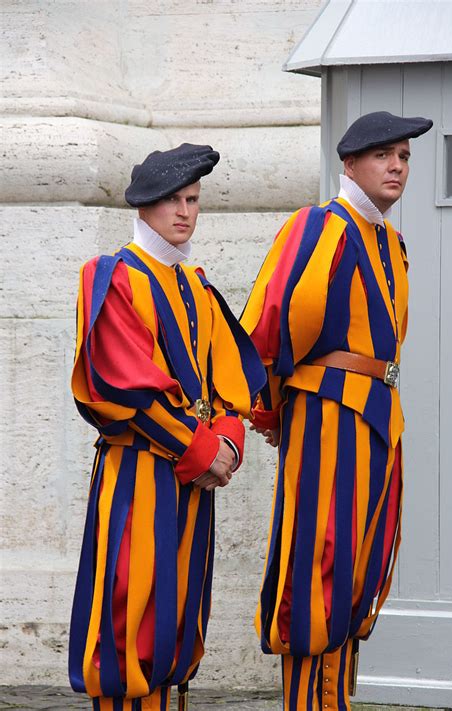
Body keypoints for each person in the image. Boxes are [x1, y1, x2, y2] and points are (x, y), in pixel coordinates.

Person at [240, 111, 433, 710]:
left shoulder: (391, 241)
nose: (397, 165)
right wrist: (272, 411)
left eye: (403, 155)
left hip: (378, 415)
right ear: (349, 164)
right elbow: (270, 322)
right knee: (319, 560)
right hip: (328, 412)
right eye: (383, 155)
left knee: (360, 567)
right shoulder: (322, 225)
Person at [69, 143, 266, 711]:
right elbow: (122, 385)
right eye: (170, 200)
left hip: (192, 473)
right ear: (144, 207)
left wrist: (229, 440)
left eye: (192, 199)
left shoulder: (197, 284)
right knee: (131, 610)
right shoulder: (112, 277)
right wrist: (206, 449)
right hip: (138, 469)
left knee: (178, 610)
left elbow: (229, 377)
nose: (183, 211)